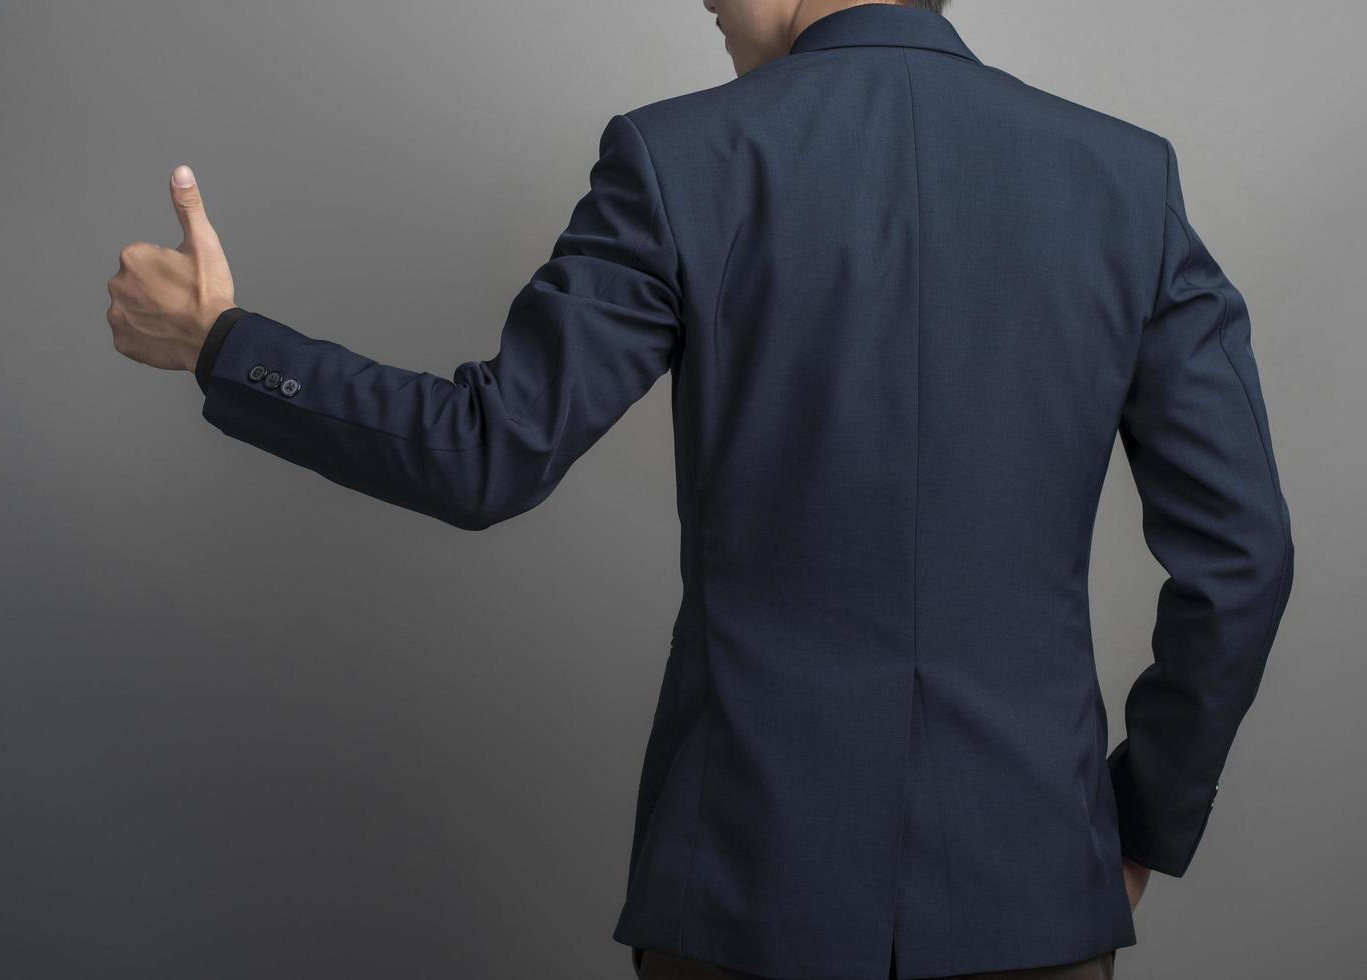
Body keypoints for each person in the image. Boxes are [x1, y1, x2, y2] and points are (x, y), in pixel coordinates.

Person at [105, 2, 1295, 978]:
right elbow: (1243, 558)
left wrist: (221, 342)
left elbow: (484, 450)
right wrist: (1136, 823)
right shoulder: (1126, 182)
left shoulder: (681, 158)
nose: (702, 1)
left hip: (748, 897)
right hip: (1037, 894)